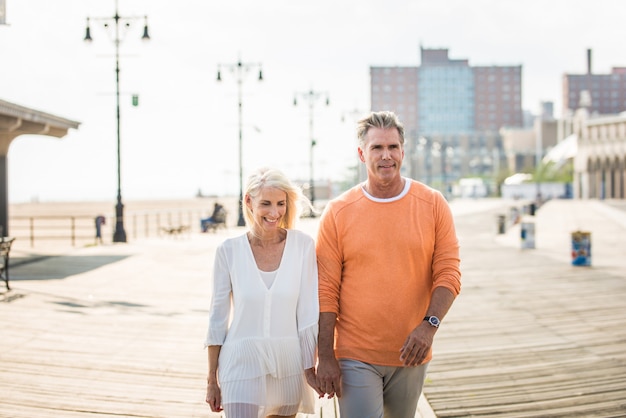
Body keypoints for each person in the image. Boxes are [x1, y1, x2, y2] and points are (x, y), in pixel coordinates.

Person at [314, 111, 462, 417]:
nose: (386, 156)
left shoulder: (432, 204)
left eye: (392, 147)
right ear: (361, 154)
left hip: (413, 351)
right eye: (377, 148)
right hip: (354, 353)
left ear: (403, 152)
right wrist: (325, 355)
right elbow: (325, 288)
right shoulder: (338, 212)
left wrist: (428, 326)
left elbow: (448, 273)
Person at [204, 167, 322, 417]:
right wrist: (211, 380)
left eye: (281, 204)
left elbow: (308, 314)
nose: (274, 212)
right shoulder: (229, 251)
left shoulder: (303, 246)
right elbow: (217, 318)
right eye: (266, 204)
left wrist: (310, 368)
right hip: (240, 363)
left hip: (288, 364)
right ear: (249, 201)